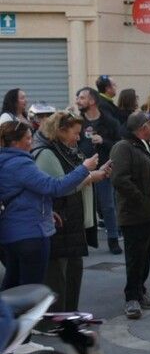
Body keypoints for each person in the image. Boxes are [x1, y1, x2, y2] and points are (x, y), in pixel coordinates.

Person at [0, 120, 98, 290]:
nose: (31, 141)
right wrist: (84, 169)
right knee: (30, 289)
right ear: (15, 142)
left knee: (13, 284)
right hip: (30, 234)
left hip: (13, 232)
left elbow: (23, 195)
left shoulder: (6, 161)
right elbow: (54, 187)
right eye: (28, 138)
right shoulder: (20, 163)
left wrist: (46, 211)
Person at [33, 113, 108, 313]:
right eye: (75, 133)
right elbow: (60, 187)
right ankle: (58, 321)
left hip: (70, 222)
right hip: (60, 223)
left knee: (71, 276)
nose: (78, 137)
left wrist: (91, 174)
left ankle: (69, 318)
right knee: (59, 279)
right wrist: (89, 175)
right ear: (60, 131)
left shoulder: (63, 149)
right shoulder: (46, 153)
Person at [110, 112, 150, 319]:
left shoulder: (146, 146)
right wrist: (142, 200)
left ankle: (140, 292)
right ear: (143, 128)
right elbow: (120, 179)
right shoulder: (123, 147)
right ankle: (131, 298)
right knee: (135, 258)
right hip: (134, 213)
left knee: (144, 257)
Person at [76, 87, 123, 255]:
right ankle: (81, 241)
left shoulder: (110, 122)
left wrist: (104, 141)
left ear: (92, 101)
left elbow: (120, 145)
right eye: (78, 97)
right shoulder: (77, 122)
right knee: (80, 206)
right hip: (81, 169)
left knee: (107, 205)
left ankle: (113, 239)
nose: (78, 101)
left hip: (104, 169)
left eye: (82, 98)